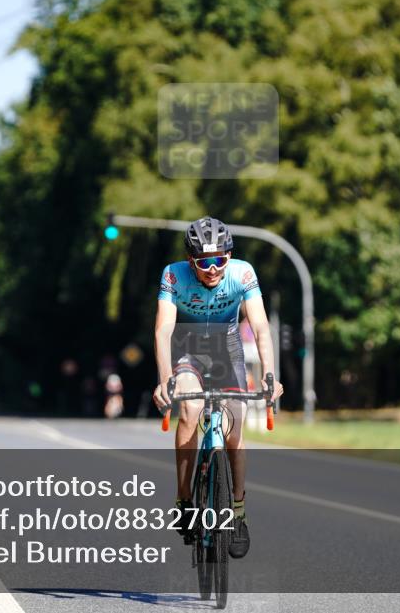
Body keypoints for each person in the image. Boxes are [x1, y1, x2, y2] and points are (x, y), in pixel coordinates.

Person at [152, 216, 283, 559]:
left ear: (229, 256)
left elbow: (260, 327)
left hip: (227, 349)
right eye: (204, 262)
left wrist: (270, 376)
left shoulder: (242, 273)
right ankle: (183, 499)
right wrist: (165, 379)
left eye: (220, 259)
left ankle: (237, 511)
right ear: (190, 260)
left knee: (235, 429)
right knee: (192, 410)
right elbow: (163, 331)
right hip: (187, 348)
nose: (213, 269)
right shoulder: (172, 274)